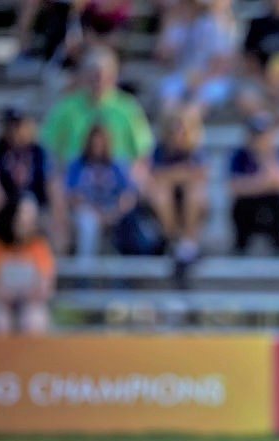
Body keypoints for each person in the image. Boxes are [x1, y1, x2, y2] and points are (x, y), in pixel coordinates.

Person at [39, 46, 154, 184]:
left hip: (117, 180)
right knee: (54, 182)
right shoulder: (66, 107)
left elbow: (143, 151)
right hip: (75, 178)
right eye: (93, 74)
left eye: (104, 74)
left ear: (114, 76)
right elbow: (48, 145)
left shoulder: (128, 107)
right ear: (84, 75)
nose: (98, 79)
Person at [0, 106, 69, 253]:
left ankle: (58, 259)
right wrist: (9, 209)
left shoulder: (39, 151)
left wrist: (58, 210)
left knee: (50, 200)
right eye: (10, 126)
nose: (14, 130)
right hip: (5, 206)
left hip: (36, 206)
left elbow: (51, 183)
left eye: (18, 125)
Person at [0, 195, 56, 334]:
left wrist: (26, 294)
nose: (30, 220)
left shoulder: (39, 246)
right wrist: (2, 293)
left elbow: (46, 285)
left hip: (30, 302)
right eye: (25, 215)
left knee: (34, 321)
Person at [146, 105, 208, 284]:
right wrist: (182, 174)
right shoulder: (159, 149)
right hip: (164, 209)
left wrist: (171, 175)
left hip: (192, 207)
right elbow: (154, 176)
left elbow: (200, 173)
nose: (178, 131)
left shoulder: (195, 148)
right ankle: (175, 242)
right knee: (161, 193)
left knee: (194, 191)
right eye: (175, 126)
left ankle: (187, 246)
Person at [65, 122, 142, 258]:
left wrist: (115, 213)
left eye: (101, 143)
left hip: (112, 212)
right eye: (94, 143)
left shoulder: (117, 164)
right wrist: (97, 214)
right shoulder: (77, 164)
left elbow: (129, 194)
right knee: (88, 223)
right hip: (85, 211)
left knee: (129, 221)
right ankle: (85, 273)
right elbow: (72, 196)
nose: (97, 147)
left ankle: (123, 274)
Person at [155, 0, 236, 116]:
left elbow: (223, 62)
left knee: (204, 95)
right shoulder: (179, 27)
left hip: (211, 78)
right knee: (168, 89)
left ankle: (187, 126)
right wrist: (168, 23)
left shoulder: (211, 25)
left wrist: (202, 79)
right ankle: (171, 126)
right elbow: (162, 56)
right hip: (183, 76)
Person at [227, 112, 279, 254]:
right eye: (255, 135)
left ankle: (278, 246)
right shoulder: (239, 155)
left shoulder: (277, 153)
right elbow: (233, 187)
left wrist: (266, 156)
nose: (259, 139)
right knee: (241, 205)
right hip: (247, 208)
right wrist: (265, 183)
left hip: (270, 205)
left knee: (276, 202)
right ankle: (240, 247)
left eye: (263, 135)